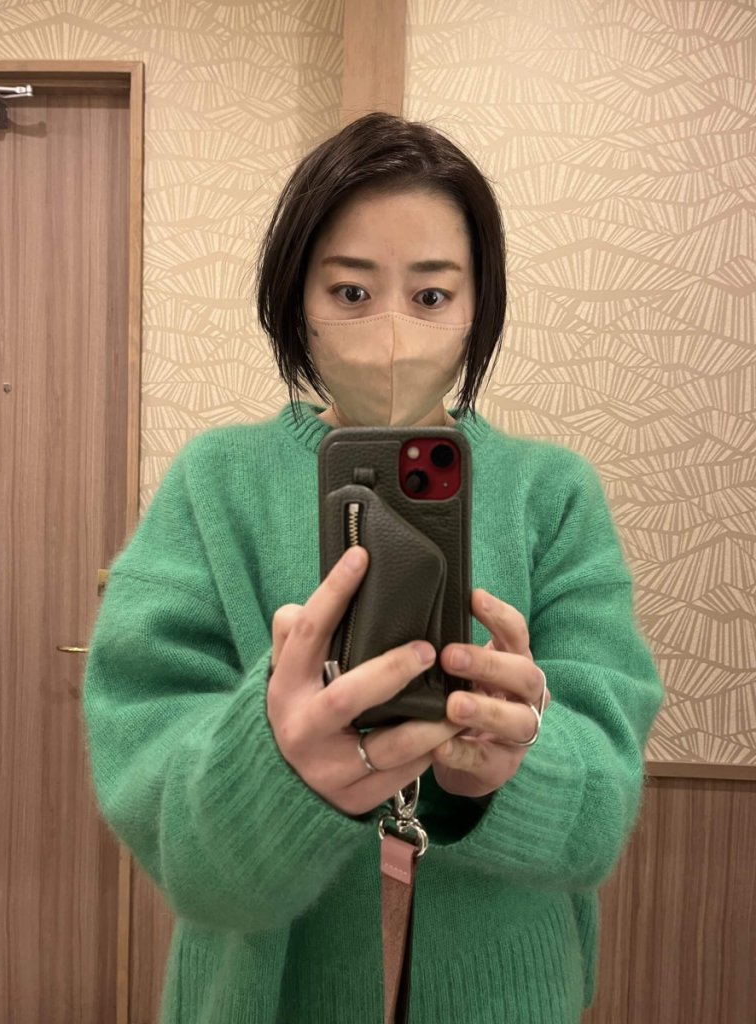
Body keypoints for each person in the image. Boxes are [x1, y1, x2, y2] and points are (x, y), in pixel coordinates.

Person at [83, 112, 663, 1024]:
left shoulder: (553, 494)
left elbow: (602, 807)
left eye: (431, 295)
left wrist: (514, 764)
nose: (392, 330)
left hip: (506, 996)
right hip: (259, 1000)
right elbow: (160, 813)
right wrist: (274, 762)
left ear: (478, 308)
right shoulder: (213, 484)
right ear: (295, 299)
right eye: (351, 291)